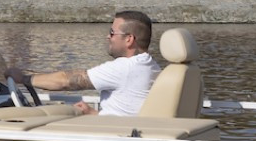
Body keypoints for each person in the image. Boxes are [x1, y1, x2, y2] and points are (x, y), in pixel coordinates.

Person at [12, 11, 159, 116]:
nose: (108, 37)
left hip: (115, 139)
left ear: (129, 39)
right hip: (121, 131)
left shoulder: (124, 68)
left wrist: (23, 78)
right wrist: (94, 113)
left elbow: (66, 81)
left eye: (112, 33)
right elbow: (129, 110)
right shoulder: (151, 66)